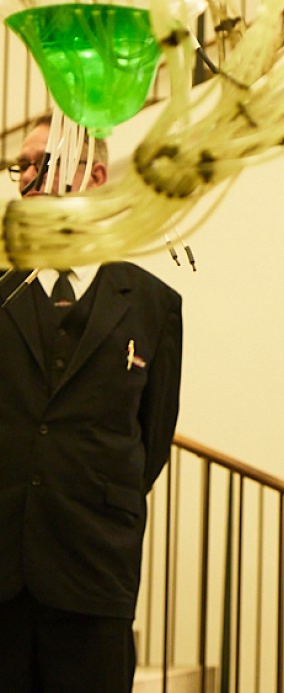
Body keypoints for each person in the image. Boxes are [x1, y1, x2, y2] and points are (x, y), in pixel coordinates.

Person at [0, 115, 183, 692]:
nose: (26, 179)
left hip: (94, 566)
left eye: (41, 164)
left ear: (94, 176)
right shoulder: (2, 290)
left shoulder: (154, 305)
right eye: (19, 168)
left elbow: (151, 438)